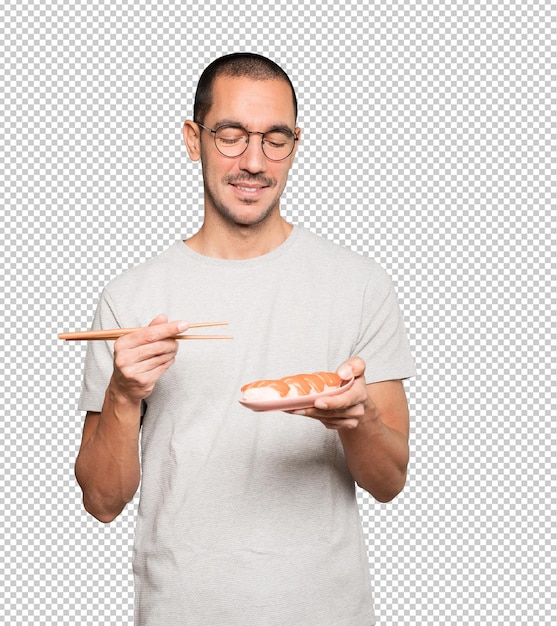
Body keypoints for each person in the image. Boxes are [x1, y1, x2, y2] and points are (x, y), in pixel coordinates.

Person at [75, 52, 416, 626]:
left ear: (295, 146)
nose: (253, 161)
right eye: (231, 136)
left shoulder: (361, 286)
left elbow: (389, 483)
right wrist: (124, 393)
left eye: (274, 139)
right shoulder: (130, 298)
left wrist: (360, 421)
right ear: (193, 138)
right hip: (180, 611)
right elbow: (102, 503)